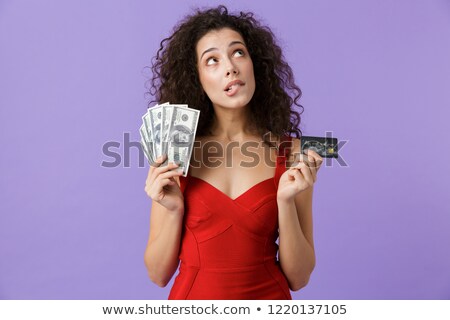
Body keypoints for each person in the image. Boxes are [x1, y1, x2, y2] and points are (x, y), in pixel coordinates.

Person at [143, 5, 323, 299]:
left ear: (255, 64)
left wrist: (286, 202)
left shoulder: (293, 152)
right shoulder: (174, 150)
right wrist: (173, 210)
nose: (230, 67)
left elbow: (299, 277)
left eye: (238, 52)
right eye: (212, 60)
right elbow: (157, 274)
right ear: (197, 77)